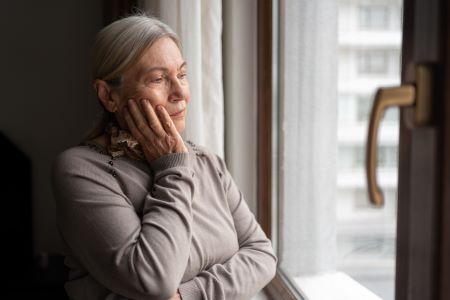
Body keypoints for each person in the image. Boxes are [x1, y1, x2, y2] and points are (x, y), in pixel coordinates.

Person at [51, 14, 277, 300]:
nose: (180, 92)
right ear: (108, 95)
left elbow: (262, 254)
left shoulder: (207, 162)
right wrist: (172, 169)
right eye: (158, 79)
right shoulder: (80, 170)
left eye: (182, 75)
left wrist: (187, 296)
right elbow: (153, 280)